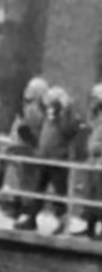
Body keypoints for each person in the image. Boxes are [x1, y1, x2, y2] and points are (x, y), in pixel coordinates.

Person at [14, 86, 82, 233]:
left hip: (58, 158)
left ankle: (63, 222)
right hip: (45, 157)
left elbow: (67, 131)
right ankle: (32, 218)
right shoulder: (50, 115)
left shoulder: (68, 116)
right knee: (38, 189)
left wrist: (63, 113)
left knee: (59, 192)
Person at [0, 77, 48, 219]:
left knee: (21, 180)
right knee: (19, 180)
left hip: (24, 150)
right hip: (21, 148)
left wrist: (26, 138)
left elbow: (28, 130)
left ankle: (17, 206)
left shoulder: (34, 110)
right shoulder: (33, 109)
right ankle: (15, 205)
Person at [82, 83, 102, 240]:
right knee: (90, 194)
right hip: (93, 163)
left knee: (99, 196)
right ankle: (89, 227)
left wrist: (96, 148)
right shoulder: (97, 118)